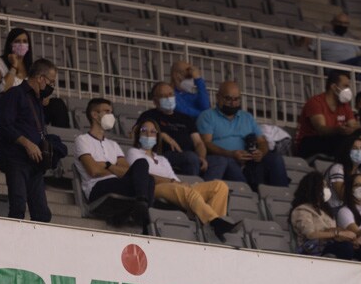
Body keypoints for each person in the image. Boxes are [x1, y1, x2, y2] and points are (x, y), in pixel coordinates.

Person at [126, 118, 239, 240]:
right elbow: (143, 175)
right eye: (144, 130)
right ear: (138, 134)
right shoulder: (133, 152)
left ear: (157, 136)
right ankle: (214, 221)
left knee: (219, 186)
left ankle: (213, 227)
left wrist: (181, 183)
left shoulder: (162, 159)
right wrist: (173, 182)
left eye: (153, 131)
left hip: (172, 187)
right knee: (182, 189)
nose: (148, 134)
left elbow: (174, 179)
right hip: (153, 187)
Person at [74, 99, 157, 228]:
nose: (111, 116)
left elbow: (128, 171)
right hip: (97, 187)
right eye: (107, 112)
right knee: (146, 180)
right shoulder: (82, 140)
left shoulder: (113, 145)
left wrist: (107, 165)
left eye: (111, 112)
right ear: (94, 115)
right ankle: (143, 218)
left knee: (144, 168)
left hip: (117, 183)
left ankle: (140, 207)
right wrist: (115, 168)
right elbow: (93, 171)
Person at [197, 80, 290, 192]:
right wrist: (231, 154)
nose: (233, 103)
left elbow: (262, 141)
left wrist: (261, 152)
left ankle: (282, 196)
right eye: (228, 98)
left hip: (249, 161)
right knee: (228, 162)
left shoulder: (247, 117)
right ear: (218, 97)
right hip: (225, 159)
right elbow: (206, 143)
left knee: (275, 159)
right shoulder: (207, 116)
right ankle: (248, 195)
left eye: (236, 99)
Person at [0, 58, 58, 222]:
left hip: (34, 163)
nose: (52, 86)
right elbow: (4, 124)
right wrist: (26, 143)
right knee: (18, 206)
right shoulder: (15, 94)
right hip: (16, 160)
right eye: (51, 81)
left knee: (42, 214)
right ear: (40, 78)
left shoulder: (37, 101)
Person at [137, 81, 209, 176]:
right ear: (155, 101)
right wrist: (161, 134)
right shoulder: (148, 116)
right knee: (190, 157)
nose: (168, 98)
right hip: (161, 155)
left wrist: (201, 157)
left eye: (170, 94)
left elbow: (198, 142)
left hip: (189, 156)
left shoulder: (186, 118)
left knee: (217, 161)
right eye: (163, 96)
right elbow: (137, 132)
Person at [289, 171, 360, 259]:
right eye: (324, 186)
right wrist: (338, 234)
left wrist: (351, 238)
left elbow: (332, 232)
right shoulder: (302, 210)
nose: (327, 189)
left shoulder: (326, 210)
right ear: (314, 188)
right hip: (311, 249)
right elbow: (310, 235)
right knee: (345, 248)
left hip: (330, 246)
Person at [294, 70, 359, 158]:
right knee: (342, 141)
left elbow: (353, 124)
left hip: (332, 140)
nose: (348, 90)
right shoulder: (316, 102)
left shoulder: (344, 105)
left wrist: (354, 128)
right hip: (309, 142)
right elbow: (321, 129)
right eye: (345, 86)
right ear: (333, 87)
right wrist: (338, 130)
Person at [324, 133, 361, 210]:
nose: (359, 151)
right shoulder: (338, 168)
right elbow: (343, 196)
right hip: (334, 209)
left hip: (351, 208)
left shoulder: (360, 171)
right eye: (355, 148)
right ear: (347, 151)